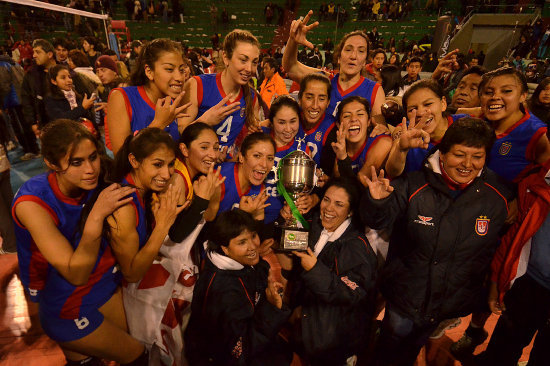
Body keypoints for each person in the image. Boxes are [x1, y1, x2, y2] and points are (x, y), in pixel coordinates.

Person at [361, 117, 513, 366]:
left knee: (413, 347)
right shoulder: (414, 184)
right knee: (390, 346)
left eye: (477, 156)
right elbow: (377, 221)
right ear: (442, 154)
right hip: (405, 297)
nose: (467, 164)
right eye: (459, 154)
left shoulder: (498, 197)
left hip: (447, 302)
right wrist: (376, 201)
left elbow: (489, 253)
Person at [12, 119, 147, 365]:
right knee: (136, 355)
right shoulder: (32, 203)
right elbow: (76, 274)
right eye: (77, 162)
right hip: (62, 294)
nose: (90, 169)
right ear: (51, 164)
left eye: (93, 157)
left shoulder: (96, 176)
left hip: (98, 283)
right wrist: (96, 215)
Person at [282, 177, 377, 365]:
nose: (329, 209)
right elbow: (292, 247)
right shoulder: (316, 224)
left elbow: (351, 295)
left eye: (339, 204)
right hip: (306, 327)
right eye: (326, 200)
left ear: (350, 211)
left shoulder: (357, 248)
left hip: (333, 343)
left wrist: (315, 269)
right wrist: (289, 221)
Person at [185, 209, 291, 365]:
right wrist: (272, 308)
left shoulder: (239, 263)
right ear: (225, 248)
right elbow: (241, 351)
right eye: (242, 242)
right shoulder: (223, 292)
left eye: (253, 236)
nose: (253, 246)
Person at [475, 158, 550, 365]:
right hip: (528, 285)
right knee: (501, 353)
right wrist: (495, 283)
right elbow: (513, 238)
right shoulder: (534, 179)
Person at [107, 127, 184, 284]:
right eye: (157, 164)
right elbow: (131, 274)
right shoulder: (124, 207)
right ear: (134, 161)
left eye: (170, 164)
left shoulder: (143, 192)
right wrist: (162, 226)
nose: (167, 174)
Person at [282, 11, 385, 123]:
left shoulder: (374, 90)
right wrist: (293, 41)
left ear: (365, 61)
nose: (353, 56)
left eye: (361, 51)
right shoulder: (324, 80)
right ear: (339, 57)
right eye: (348, 49)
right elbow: (291, 67)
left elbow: (379, 132)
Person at [181, 29, 262, 156]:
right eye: (243, 60)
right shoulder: (197, 85)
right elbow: (180, 135)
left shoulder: (252, 97)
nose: (249, 69)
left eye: (254, 62)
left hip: (226, 171)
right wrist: (205, 122)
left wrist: (247, 139)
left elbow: (242, 148)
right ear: (225, 57)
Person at [106, 39, 189, 154]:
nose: (180, 78)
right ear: (149, 72)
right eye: (169, 69)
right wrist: (158, 124)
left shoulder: (173, 103)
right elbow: (121, 158)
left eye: (181, 70)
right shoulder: (122, 97)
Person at [385, 79, 468, 178]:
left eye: (428, 104)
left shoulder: (465, 124)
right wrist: (401, 149)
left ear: (443, 104)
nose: (420, 113)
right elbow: (392, 171)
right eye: (412, 109)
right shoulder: (404, 131)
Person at [480, 67, 550, 183]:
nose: (495, 97)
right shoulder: (476, 119)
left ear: (523, 95)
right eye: (488, 92)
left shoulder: (537, 135)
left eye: (506, 91)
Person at [262, 96, 306, 223]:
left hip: (284, 219)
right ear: (271, 121)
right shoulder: (258, 137)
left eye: (293, 121)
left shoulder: (302, 150)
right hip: (252, 215)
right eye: (281, 122)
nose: (288, 129)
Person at [210, 132, 275, 218]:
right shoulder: (218, 179)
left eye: (270, 158)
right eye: (257, 156)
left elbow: (257, 229)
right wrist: (244, 215)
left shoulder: (260, 190)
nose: (264, 164)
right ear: (241, 157)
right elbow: (205, 224)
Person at [329, 96, 392, 179]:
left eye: (360, 114)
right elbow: (340, 184)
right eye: (347, 116)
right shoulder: (340, 147)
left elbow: (359, 185)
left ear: (369, 121)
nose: (354, 119)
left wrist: (343, 159)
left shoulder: (383, 142)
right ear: (338, 124)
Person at [20, 39, 56, 159]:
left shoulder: (64, 72)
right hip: (45, 126)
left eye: (38, 52)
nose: (34, 55)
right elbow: (26, 101)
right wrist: (33, 123)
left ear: (49, 54)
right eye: (34, 52)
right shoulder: (30, 76)